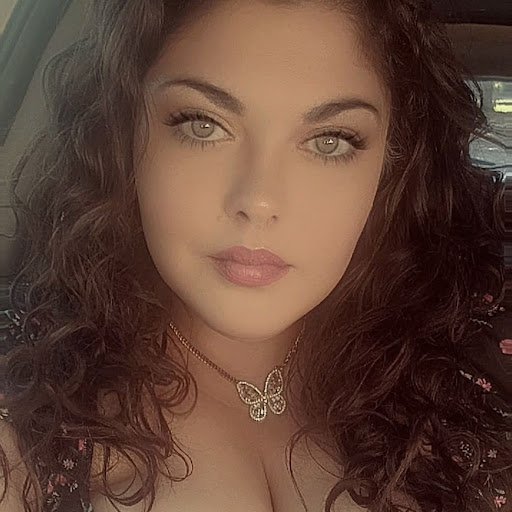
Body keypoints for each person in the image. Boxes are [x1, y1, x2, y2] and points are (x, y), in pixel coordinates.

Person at [0, 0, 511, 510]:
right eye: (203, 124)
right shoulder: (22, 419)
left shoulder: (467, 370)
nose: (259, 200)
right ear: (122, 135)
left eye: (330, 141)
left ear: (391, 168)